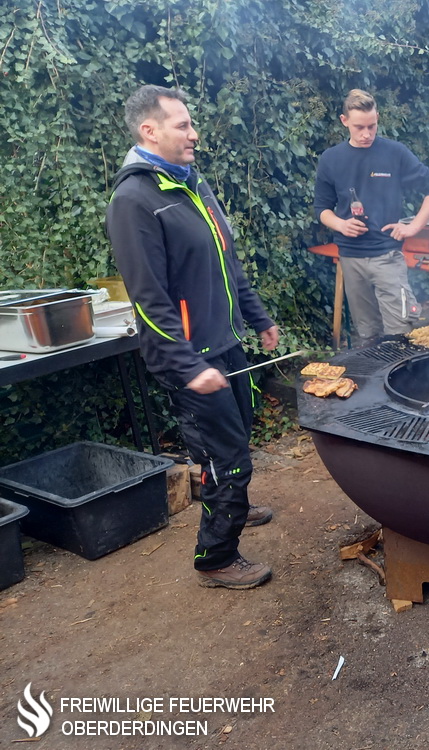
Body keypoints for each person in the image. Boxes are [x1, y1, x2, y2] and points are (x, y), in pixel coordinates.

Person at [106, 85, 278, 590]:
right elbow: (148, 298)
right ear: (149, 130)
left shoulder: (190, 185)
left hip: (223, 341)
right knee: (228, 458)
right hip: (188, 357)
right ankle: (216, 558)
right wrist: (188, 366)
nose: (194, 133)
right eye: (182, 125)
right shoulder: (134, 200)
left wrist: (259, 317)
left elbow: (228, 262)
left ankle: (232, 505)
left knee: (231, 442)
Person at [313, 89, 429, 343]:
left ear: (378, 119)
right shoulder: (331, 159)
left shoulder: (394, 153)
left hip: (387, 257)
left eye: (372, 126)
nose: (366, 134)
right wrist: (340, 224)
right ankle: (374, 382)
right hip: (350, 258)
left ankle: (406, 379)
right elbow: (322, 209)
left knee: (402, 333)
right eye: (359, 127)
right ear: (344, 121)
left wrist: (413, 226)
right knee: (368, 335)